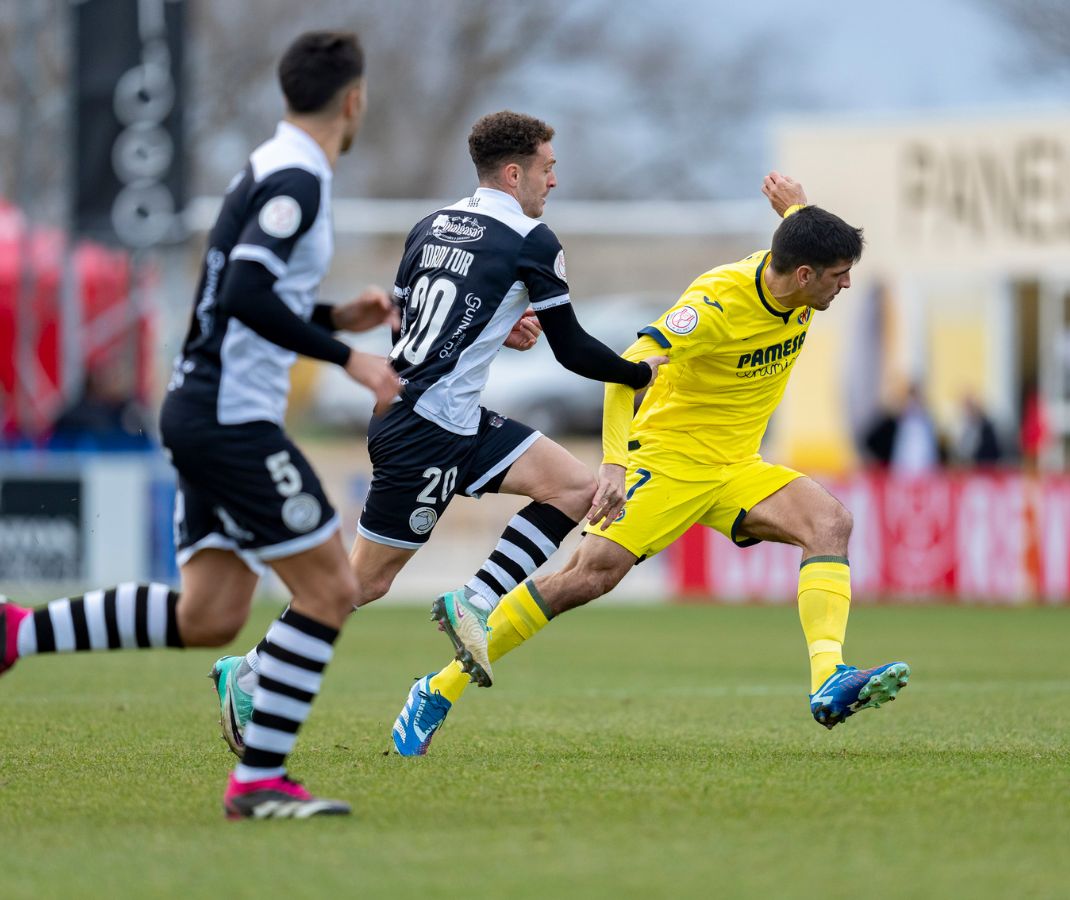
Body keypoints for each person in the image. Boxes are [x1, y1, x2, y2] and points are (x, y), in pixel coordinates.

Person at [0, 31, 399, 819]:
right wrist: (348, 356)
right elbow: (248, 293)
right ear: (353, 100)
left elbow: (235, 298)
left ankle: (14, 632)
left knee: (209, 615)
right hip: (230, 418)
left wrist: (329, 313)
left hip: (200, 408)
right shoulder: (298, 179)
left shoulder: (264, 165)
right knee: (332, 588)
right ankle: (259, 782)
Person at [392, 172, 910, 754]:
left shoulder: (802, 260)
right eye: (839, 277)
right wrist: (614, 465)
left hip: (736, 466)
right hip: (664, 462)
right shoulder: (714, 306)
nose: (846, 286)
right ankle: (437, 689)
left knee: (830, 524)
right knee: (583, 580)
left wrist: (797, 207)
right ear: (806, 275)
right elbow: (621, 372)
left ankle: (828, 681)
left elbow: (802, 230)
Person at [210, 110, 667, 757]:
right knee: (360, 584)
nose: (553, 181)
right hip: (425, 433)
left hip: (437, 415)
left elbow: (410, 322)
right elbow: (571, 350)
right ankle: (254, 670)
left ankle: (475, 598)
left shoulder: (432, 226)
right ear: (514, 172)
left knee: (573, 488)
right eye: (547, 167)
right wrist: (635, 372)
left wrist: (494, 328)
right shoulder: (532, 240)